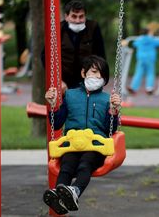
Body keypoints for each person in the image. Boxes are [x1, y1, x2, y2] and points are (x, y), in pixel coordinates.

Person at [42, 55, 121, 215]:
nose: (98, 77)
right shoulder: (70, 95)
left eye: (102, 75)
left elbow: (110, 130)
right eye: (94, 72)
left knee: (85, 165)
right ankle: (59, 196)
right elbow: (57, 123)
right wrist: (52, 106)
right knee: (66, 167)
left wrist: (113, 111)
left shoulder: (107, 100)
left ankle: (75, 191)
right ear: (83, 73)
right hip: (72, 143)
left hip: (95, 146)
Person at [42, 0, 106, 91]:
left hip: (88, 79)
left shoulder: (93, 28)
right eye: (74, 16)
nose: (78, 20)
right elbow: (45, 57)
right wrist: (58, 81)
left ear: (85, 16)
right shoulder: (57, 29)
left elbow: (100, 56)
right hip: (64, 81)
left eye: (81, 17)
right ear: (66, 17)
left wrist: (97, 79)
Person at [125, 22, 159, 95]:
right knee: (150, 73)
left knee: (138, 73)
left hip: (141, 58)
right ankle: (149, 88)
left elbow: (134, 44)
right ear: (149, 32)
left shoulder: (140, 39)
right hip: (149, 58)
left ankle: (133, 87)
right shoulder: (152, 39)